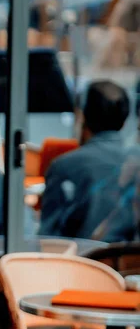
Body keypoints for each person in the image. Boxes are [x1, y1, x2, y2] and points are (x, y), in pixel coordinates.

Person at [39, 80, 130, 238]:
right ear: (123, 121)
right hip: (131, 263)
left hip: (83, 262)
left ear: (82, 118)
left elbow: (49, 239)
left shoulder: (64, 167)